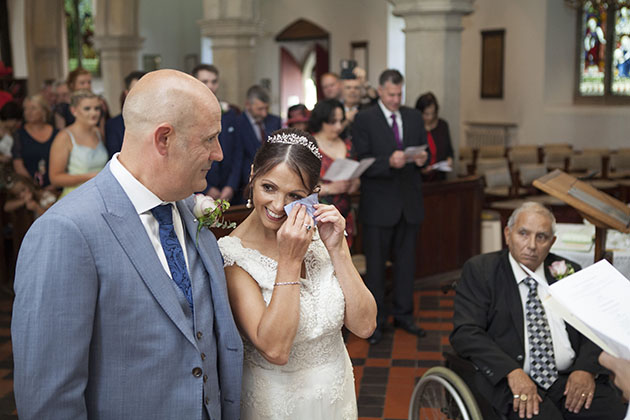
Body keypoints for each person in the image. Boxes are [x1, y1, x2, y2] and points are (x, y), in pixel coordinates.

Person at [11, 69, 244, 419]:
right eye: (208, 139)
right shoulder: (66, 232)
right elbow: (50, 399)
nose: (219, 154)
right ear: (163, 139)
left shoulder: (186, 209)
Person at [218, 128, 376, 419]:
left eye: (295, 195)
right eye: (269, 187)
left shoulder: (320, 237)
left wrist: (337, 249)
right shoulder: (233, 255)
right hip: (276, 403)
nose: (278, 206)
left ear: (314, 193)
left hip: (335, 398)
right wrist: (289, 261)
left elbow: (365, 326)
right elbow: (275, 350)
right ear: (252, 175)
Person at [450, 202, 627, 420]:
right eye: (523, 234)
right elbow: (466, 332)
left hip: (569, 379)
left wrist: (585, 369)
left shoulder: (567, 271)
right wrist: (511, 372)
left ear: (552, 242)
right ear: (508, 234)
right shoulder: (481, 270)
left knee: (615, 413)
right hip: (512, 380)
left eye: (541, 237)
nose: (531, 245)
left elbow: (594, 325)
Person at [352, 68, 429, 345]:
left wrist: (422, 159)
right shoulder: (365, 119)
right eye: (391, 94)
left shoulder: (413, 116)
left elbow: (426, 150)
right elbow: (361, 159)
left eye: (400, 94)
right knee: (375, 268)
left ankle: (404, 316)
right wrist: (388, 162)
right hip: (379, 204)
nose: (396, 99)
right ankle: (376, 321)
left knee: (406, 264)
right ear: (381, 91)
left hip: (409, 202)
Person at [309, 99, 359, 247]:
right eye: (332, 122)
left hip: (345, 214)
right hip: (319, 218)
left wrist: (354, 184)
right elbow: (298, 187)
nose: (338, 127)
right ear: (321, 121)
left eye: (340, 121)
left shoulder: (348, 145)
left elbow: (356, 176)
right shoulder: (310, 145)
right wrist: (330, 188)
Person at [193, 64, 242, 201]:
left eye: (214, 81)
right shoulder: (189, 114)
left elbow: (238, 152)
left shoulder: (230, 113)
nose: (210, 86)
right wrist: (206, 187)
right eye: (205, 82)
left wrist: (231, 186)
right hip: (200, 190)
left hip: (229, 189)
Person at [49, 90, 108, 198]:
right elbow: (55, 178)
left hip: (100, 195)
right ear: (73, 110)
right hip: (76, 197)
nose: (94, 113)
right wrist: (89, 177)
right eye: (87, 109)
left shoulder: (98, 132)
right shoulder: (64, 137)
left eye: (97, 108)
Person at [235, 85, 281, 202]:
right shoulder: (237, 123)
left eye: (266, 108)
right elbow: (237, 158)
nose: (264, 113)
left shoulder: (274, 121)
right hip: (244, 185)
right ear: (248, 105)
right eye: (260, 109)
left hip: (272, 181)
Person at [11, 95, 57, 188]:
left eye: (33, 108)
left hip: (56, 186)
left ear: (44, 111)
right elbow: (18, 166)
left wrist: (54, 186)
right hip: (30, 188)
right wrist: (36, 188)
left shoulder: (58, 134)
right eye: (26, 109)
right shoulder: (19, 135)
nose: (28, 112)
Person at [105, 70, 146, 157]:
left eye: (145, 91)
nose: (141, 95)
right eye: (136, 90)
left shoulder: (160, 121)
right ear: (126, 93)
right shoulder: (113, 125)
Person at [415, 92, 454, 181]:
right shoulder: (414, 127)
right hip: (420, 180)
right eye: (426, 114)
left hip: (439, 178)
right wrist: (421, 169)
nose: (430, 117)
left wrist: (449, 160)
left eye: (433, 113)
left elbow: (449, 151)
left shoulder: (443, 125)